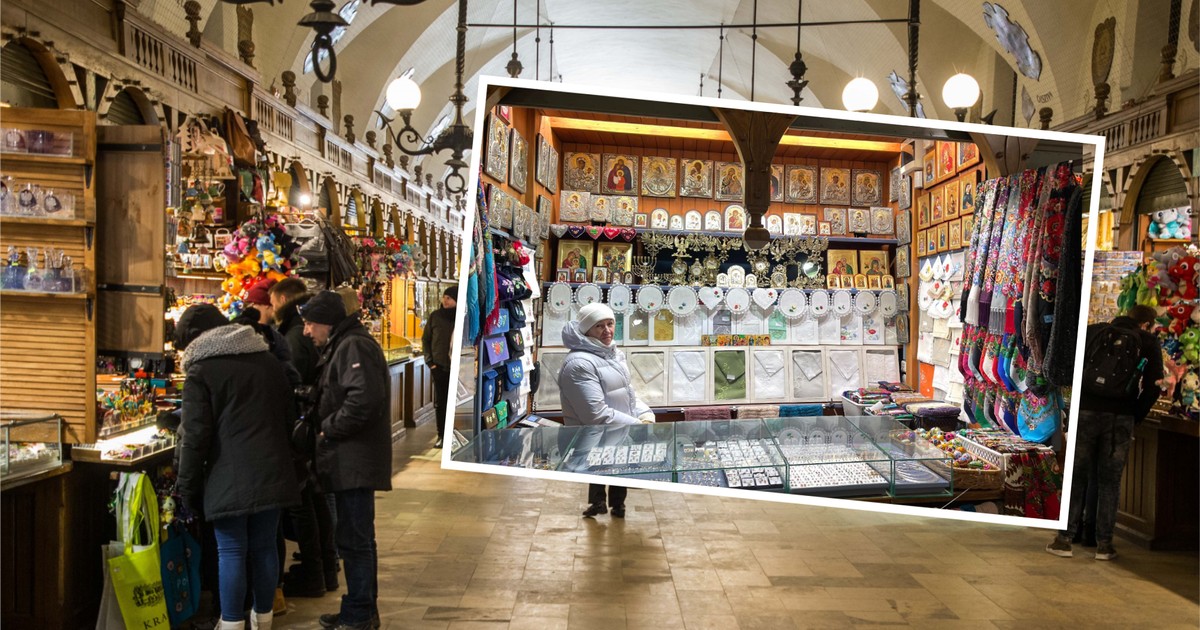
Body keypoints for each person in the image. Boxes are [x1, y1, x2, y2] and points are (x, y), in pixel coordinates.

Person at [175, 304, 300, 630]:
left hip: (226, 474)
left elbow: (194, 436)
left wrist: (186, 487)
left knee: (230, 551)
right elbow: (289, 418)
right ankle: (264, 618)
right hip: (273, 468)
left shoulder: (201, 372)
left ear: (194, 339)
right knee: (263, 547)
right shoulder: (268, 361)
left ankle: (230, 622)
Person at [302, 291, 392, 630]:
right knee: (356, 541)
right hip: (350, 459)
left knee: (355, 541)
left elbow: (363, 400)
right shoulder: (347, 343)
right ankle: (359, 609)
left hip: (353, 460)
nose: (307, 332)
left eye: (310, 323)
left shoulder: (353, 346)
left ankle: (360, 614)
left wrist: (327, 430)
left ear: (326, 322)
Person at [1047, 305, 1162, 561]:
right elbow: (1154, 386)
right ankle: (1105, 546)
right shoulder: (1148, 342)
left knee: (1077, 477)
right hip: (1119, 418)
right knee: (1110, 481)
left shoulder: (1093, 332)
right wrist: (1135, 414)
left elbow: (1073, 371)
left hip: (1086, 412)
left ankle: (1063, 540)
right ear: (1145, 324)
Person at [269, 277, 339, 597]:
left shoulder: (294, 336)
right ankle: (324, 566)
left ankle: (317, 569)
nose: (309, 331)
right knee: (316, 499)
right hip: (313, 427)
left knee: (306, 502)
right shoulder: (304, 335)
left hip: (305, 430)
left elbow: (294, 384)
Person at [558, 303, 655, 518]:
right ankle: (598, 502)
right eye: (599, 326)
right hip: (595, 434)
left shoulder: (611, 353)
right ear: (587, 331)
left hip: (617, 430)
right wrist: (635, 424)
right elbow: (595, 414)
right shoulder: (579, 364)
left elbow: (627, 393)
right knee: (598, 466)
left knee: (618, 467)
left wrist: (644, 412)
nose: (607, 330)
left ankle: (616, 505)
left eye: (610, 324)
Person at [422, 285, 458, 449]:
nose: (445, 300)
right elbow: (426, 339)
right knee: (441, 403)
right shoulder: (435, 317)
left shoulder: (461, 317)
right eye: (444, 297)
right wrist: (431, 362)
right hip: (440, 367)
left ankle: (454, 435)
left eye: (449, 298)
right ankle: (442, 436)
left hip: (457, 369)